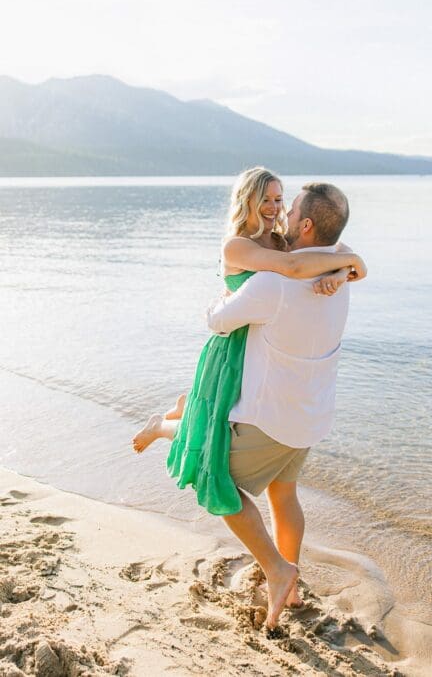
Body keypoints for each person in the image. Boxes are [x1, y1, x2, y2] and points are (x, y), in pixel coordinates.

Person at [131, 166, 366, 523]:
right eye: (266, 200)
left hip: (255, 345)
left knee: (213, 422)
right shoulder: (240, 245)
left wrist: (344, 268)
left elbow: (336, 248)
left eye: (280, 199)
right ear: (248, 201)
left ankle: (184, 405)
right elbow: (290, 267)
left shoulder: (281, 238)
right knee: (207, 438)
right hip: (231, 345)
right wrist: (347, 264)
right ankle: (161, 426)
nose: (275, 208)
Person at [204, 181, 357, 629]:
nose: (284, 215)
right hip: (311, 418)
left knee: (212, 481)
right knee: (283, 493)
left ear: (306, 225)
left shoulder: (271, 284)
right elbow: (343, 256)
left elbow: (218, 322)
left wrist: (224, 299)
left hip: (269, 420)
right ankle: (288, 584)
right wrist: (350, 265)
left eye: (290, 211)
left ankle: (276, 568)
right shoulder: (339, 278)